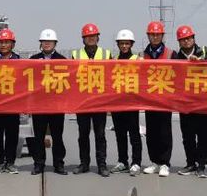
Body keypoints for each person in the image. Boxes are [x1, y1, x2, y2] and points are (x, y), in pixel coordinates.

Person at [173, 25, 207, 178]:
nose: (186, 41)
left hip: (204, 103)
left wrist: (201, 62)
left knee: (204, 136)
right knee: (188, 136)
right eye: (182, 39)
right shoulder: (176, 58)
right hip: (186, 104)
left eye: (188, 38)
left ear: (193, 38)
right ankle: (191, 163)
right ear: (179, 42)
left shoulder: (205, 51)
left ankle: (201, 165)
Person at [71, 23, 111, 177]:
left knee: (100, 135)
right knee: (83, 134)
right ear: (83, 39)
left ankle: (102, 165)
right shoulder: (76, 54)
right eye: (88, 36)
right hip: (83, 102)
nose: (91, 38)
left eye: (93, 36)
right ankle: (84, 164)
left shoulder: (106, 54)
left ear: (98, 37)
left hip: (100, 102)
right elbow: (72, 78)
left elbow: (111, 77)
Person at [29, 29, 68, 175]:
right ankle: (39, 164)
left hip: (56, 105)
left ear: (55, 43)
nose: (47, 44)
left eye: (50, 41)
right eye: (44, 41)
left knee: (57, 136)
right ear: (41, 43)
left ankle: (59, 164)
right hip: (39, 105)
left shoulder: (62, 60)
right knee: (38, 136)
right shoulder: (33, 60)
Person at [141, 21, 172, 178]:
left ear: (162, 36)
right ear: (148, 36)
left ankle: (165, 163)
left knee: (164, 132)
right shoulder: (143, 55)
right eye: (152, 34)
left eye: (157, 34)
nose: (155, 37)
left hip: (165, 100)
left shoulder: (170, 54)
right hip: (149, 100)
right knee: (151, 132)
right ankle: (154, 162)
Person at [0, 28, 21, 174]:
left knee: (12, 135)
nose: (3, 45)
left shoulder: (19, 60)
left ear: (12, 44)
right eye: (1, 42)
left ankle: (10, 163)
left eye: (7, 42)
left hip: (13, 105)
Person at [110, 29, 143, 175]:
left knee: (134, 134)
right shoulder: (113, 61)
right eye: (122, 43)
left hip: (132, 103)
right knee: (120, 134)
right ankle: (122, 161)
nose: (124, 46)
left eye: (127, 43)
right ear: (118, 44)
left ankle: (136, 162)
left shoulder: (138, 60)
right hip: (117, 103)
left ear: (131, 44)